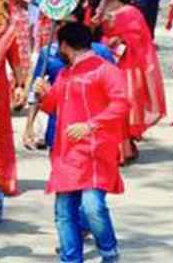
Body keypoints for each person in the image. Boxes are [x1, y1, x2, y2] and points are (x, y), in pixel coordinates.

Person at [33, 22, 129, 263]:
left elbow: (122, 103)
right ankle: (71, 258)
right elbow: (51, 106)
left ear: (64, 45)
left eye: (59, 44)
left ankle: (109, 251)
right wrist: (42, 94)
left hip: (96, 150)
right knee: (64, 212)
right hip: (67, 152)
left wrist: (90, 125)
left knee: (92, 207)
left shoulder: (105, 70)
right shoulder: (65, 74)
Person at [88, 0, 166, 161]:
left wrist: (122, 38)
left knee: (124, 103)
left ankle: (124, 146)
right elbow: (87, 37)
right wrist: (96, 23)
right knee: (105, 103)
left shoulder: (131, 11)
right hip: (103, 62)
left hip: (128, 64)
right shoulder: (96, 11)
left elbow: (142, 38)